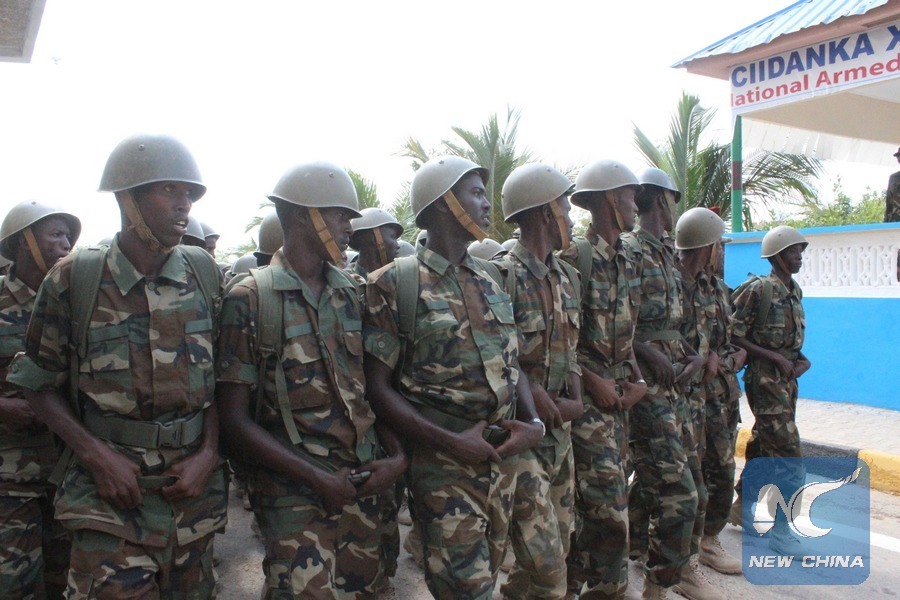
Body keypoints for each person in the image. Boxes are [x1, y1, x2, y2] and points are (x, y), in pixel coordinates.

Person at [8, 133, 228, 598]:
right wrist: (96, 455)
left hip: (190, 493)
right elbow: (38, 385)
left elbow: (221, 380)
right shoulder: (76, 277)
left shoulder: (203, 272)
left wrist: (209, 453)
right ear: (127, 198)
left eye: (189, 193)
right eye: (169, 190)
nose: (184, 204)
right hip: (108, 494)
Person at [216, 161, 407, 598]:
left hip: (364, 483)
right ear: (304, 216)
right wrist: (317, 478)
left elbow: (375, 388)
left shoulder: (353, 292)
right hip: (293, 493)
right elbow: (234, 420)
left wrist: (396, 458)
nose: (349, 227)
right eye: (340, 215)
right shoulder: (250, 298)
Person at [364, 155, 544, 599]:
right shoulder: (394, 283)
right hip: (441, 468)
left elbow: (514, 362)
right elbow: (377, 389)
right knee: (468, 591)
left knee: (492, 575)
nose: (487, 204)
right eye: (476, 193)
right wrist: (451, 442)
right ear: (445, 202)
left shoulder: (491, 277)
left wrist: (533, 422)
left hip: (500, 459)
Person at [493, 163, 583, 599]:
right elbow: (495, 359)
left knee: (558, 546)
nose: (571, 217)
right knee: (547, 565)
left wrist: (577, 399)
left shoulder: (568, 277)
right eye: (565, 206)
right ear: (547, 212)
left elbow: (574, 351)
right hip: (522, 436)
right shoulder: (501, 276)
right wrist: (533, 393)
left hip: (560, 434)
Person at [558, 159, 647, 599]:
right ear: (610, 199)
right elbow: (560, 341)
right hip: (588, 398)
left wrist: (638, 381)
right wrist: (593, 382)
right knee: (609, 505)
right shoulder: (575, 258)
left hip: (621, 398)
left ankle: (573, 580)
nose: (635, 205)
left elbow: (630, 332)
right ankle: (608, 589)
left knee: (598, 501)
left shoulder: (630, 258)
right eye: (629, 196)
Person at [624, 168, 708, 600]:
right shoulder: (631, 250)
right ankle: (656, 587)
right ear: (662, 200)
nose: (674, 206)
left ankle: (669, 566)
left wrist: (691, 354)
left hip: (676, 387)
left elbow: (673, 323)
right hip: (646, 387)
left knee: (688, 485)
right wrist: (646, 351)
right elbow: (610, 321)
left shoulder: (665, 254)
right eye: (673, 199)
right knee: (679, 493)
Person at [0, 200, 80, 599]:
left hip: (67, 469)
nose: (66, 244)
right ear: (23, 241)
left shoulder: (74, 298)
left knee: (65, 578)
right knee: (14, 583)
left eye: (68, 235)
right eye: (56, 234)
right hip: (9, 473)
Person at [728, 225, 811, 558]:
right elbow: (733, 334)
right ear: (776, 256)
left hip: (787, 381)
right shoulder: (759, 290)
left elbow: (788, 338)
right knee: (789, 455)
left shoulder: (794, 291)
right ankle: (782, 530)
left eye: (800, 251)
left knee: (764, 445)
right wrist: (772, 356)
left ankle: (741, 506)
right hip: (764, 380)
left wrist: (798, 358)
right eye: (793, 251)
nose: (799, 256)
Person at [674, 208, 745, 579]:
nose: (723, 252)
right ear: (706, 246)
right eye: (720, 245)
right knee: (685, 479)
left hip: (715, 395)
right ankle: (667, 551)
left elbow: (722, 339)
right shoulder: (672, 283)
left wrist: (724, 356)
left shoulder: (715, 287)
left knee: (719, 469)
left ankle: (706, 540)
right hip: (682, 395)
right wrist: (702, 359)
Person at [348, 207, 403, 278]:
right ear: (374, 239)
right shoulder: (347, 280)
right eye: (392, 237)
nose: (398, 245)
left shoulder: (398, 277)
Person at [885, 146, 900, 223]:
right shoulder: (894, 178)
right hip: (896, 220)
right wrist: (886, 224)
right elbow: (889, 203)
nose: (898, 159)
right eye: (898, 156)